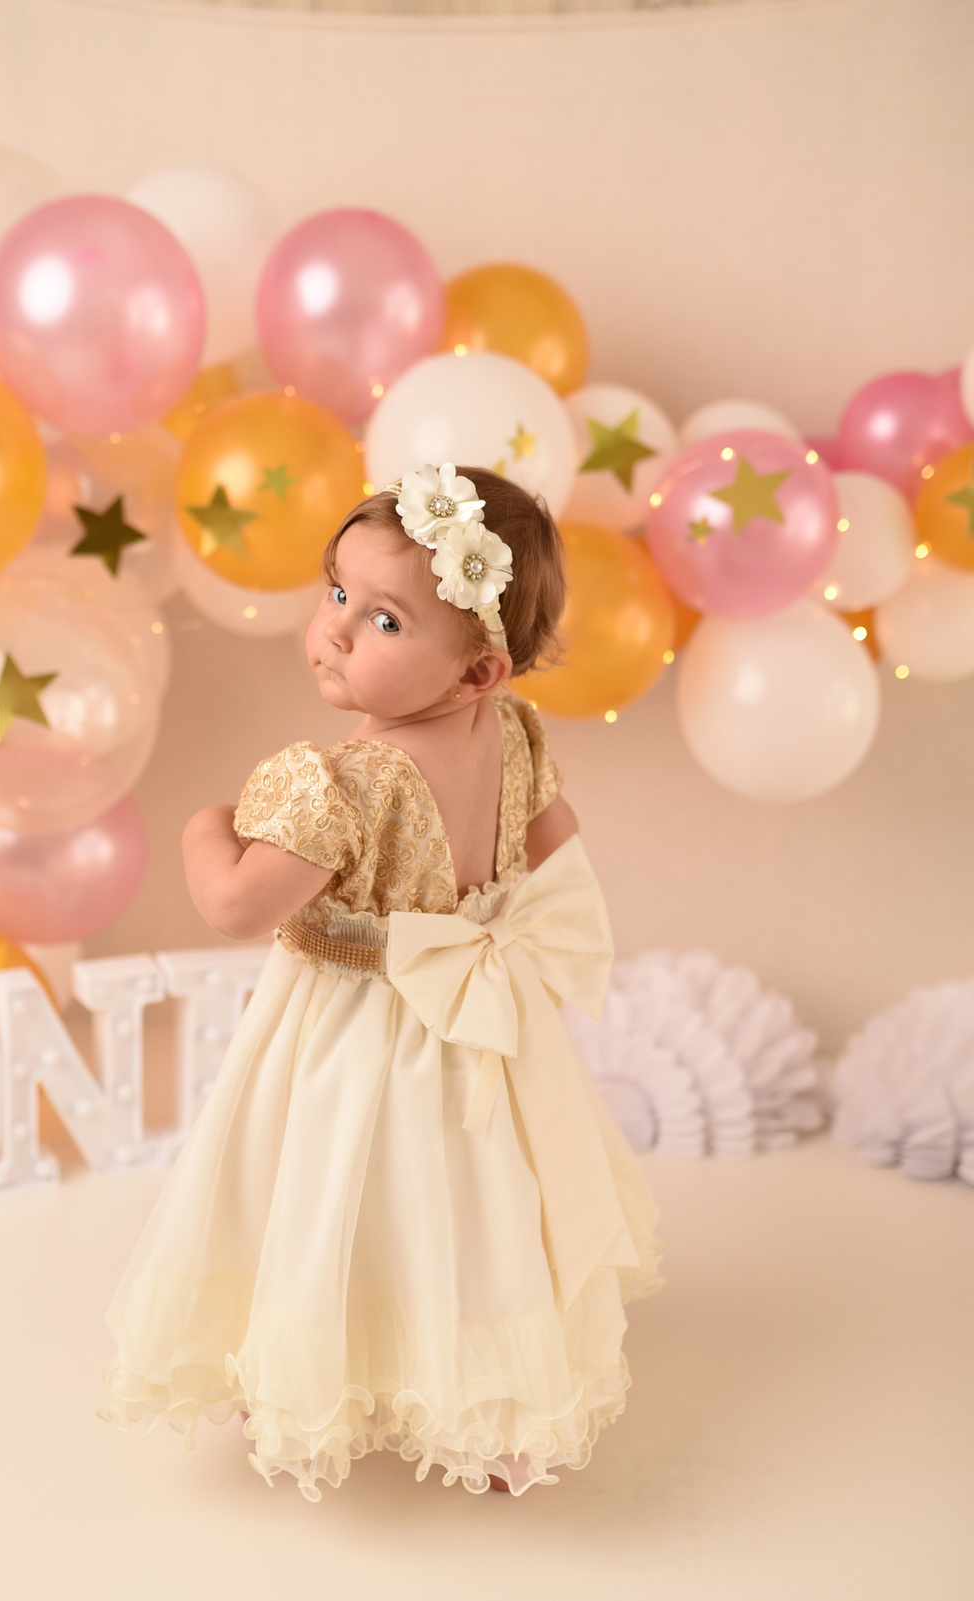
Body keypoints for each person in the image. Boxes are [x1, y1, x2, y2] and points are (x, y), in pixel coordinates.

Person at [99, 464, 661, 1499]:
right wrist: (497, 922)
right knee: (473, 1198)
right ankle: (498, 1407)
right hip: (477, 1021)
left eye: (385, 621)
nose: (337, 630)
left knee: (331, 1190)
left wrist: (201, 829)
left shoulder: (343, 786)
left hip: (352, 1030)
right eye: (337, 591)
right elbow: (558, 845)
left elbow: (237, 906)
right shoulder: (516, 738)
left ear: (480, 670)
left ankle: (303, 1371)